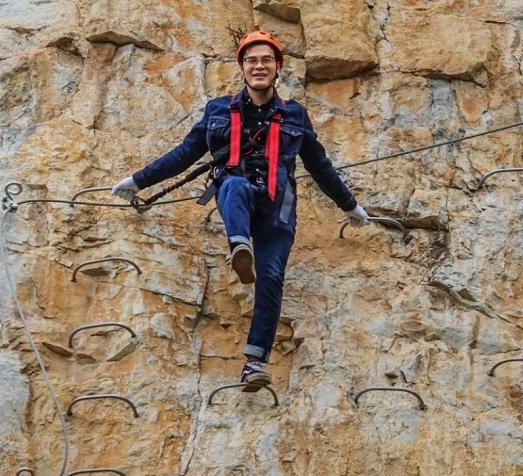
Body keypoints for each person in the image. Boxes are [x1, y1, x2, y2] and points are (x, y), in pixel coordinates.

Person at [111, 30, 371, 391]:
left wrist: (350, 206)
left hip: (279, 207)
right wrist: (139, 180)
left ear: (277, 67)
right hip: (238, 197)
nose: (259, 66)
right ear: (242, 68)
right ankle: (239, 246)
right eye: (252, 60)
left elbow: (319, 166)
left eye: (266, 60)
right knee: (232, 184)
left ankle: (254, 364)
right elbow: (185, 154)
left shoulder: (295, 115)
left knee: (272, 277)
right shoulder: (219, 110)